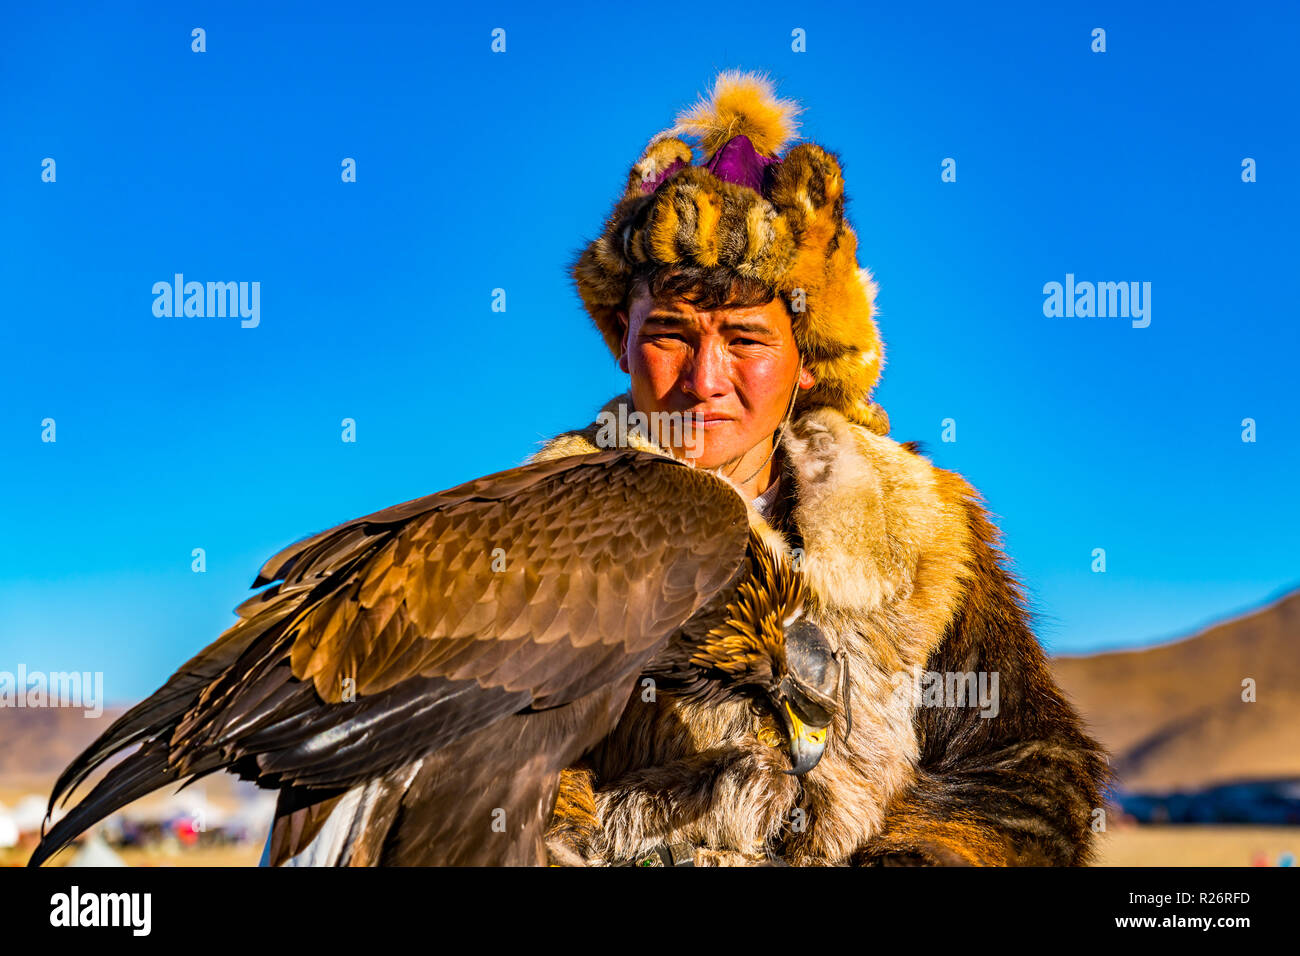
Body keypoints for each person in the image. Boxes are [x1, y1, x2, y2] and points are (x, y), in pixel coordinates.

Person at [529, 71, 1110, 866]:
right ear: (621, 342)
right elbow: (453, 775)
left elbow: (1028, 771)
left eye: (746, 339)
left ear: (806, 361)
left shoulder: (920, 536)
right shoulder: (529, 534)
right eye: (669, 332)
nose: (704, 379)